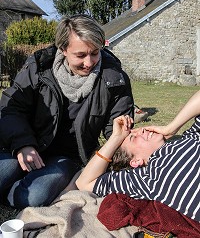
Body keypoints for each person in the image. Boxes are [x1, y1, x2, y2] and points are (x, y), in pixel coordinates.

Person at [0, 14, 134, 209]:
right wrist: (23, 144)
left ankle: (13, 192)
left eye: (95, 53)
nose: (89, 63)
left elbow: (117, 130)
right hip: (24, 144)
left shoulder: (114, 79)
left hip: (68, 157)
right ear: (63, 49)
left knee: (32, 197)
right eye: (80, 55)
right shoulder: (39, 67)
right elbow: (11, 108)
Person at [76, 92, 200, 222]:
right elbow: (84, 182)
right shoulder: (145, 178)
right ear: (135, 161)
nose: (141, 130)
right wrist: (115, 138)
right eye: (133, 137)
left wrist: (171, 128)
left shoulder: (191, 137)